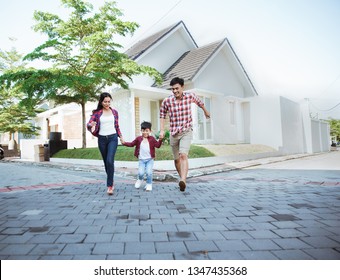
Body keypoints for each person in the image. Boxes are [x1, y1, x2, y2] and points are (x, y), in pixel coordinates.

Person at [159, 77, 210, 192]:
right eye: (173, 89)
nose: (175, 91)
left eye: (177, 88)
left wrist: (206, 111)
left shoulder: (190, 96)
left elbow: (200, 103)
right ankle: (182, 177)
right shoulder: (167, 101)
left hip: (186, 130)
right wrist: (162, 130)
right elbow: (162, 115)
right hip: (173, 133)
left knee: (183, 155)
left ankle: (183, 180)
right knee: (176, 159)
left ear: (182, 87)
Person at [87, 92, 124, 195]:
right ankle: (111, 180)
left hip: (113, 138)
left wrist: (120, 137)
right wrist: (91, 124)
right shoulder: (97, 113)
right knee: (106, 163)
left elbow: (117, 127)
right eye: (105, 102)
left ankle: (110, 186)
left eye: (109, 101)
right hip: (102, 139)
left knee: (109, 160)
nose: (107, 104)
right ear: (101, 102)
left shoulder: (115, 112)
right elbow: (88, 124)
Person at [121, 121, 162, 191]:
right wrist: (124, 143)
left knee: (149, 172)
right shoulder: (138, 139)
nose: (145, 132)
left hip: (150, 159)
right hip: (141, 160)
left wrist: (160, 140)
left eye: (147, 131)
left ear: (150, 131)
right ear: (141, 131)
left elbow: (157, 146)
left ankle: (149, 184)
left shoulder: (152, 139)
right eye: (143, 131)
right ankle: (139, 180)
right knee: (141, 173)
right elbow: (132, 144)